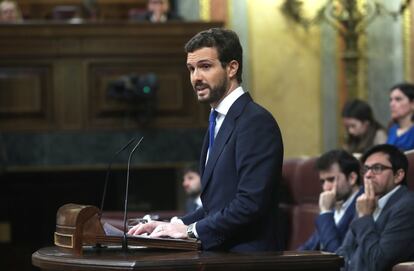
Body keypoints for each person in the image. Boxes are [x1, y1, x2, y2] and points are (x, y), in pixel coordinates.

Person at [129, 28, 284, 252]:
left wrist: (191, 231)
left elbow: (250, 204)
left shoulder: (255, 122)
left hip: (247, 259)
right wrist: (175, 224)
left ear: (232, 68)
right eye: (191, 69)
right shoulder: (218, 120)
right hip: (220, 254)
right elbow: (217, 204)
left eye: (205, 67)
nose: (196, 78)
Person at [336, 144, 414, 271]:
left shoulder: (407, 206)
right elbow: (343, 252)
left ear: (398, 175)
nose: (368, 175)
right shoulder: (367, 201)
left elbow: (378, 263)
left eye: (377, 168)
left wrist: (365, 216)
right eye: (366, 169)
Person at [298, 149, 363, 252]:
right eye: (322, 181)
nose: (326, 187)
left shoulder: (364, 206)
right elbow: (308, 247)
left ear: (352, 178)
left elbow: (336, 255)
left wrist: (325, 212)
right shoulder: (334, 203)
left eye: (331, 180)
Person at [387, 83, 414, 151]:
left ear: (412, 103)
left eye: (398, 99)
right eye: (391, 100)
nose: (392, 104)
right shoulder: (392, 130)